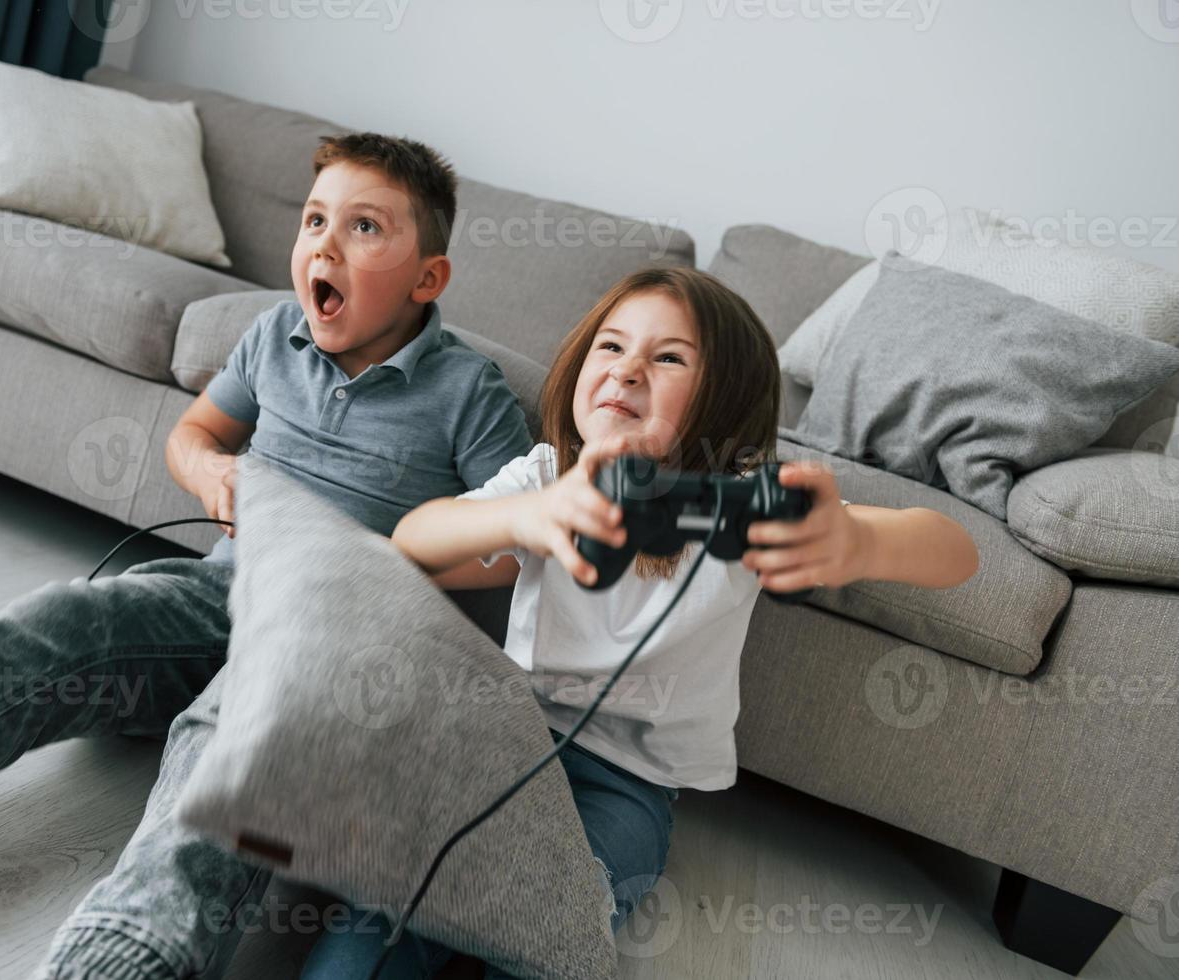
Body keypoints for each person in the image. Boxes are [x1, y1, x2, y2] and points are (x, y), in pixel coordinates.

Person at [0, 132, 534, 980]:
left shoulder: (469, 392)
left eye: (364, 229)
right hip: (221, 594)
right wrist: (213, 470)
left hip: (341, 646)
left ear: (427, 278)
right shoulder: (274, 335)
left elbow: (508, 549)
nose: (324, 243)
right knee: (51, 628)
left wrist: (382, 562)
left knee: (229, 743)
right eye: (315, 219)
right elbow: (195, 434)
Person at [300, 266, 980, 978]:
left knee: (550, 924)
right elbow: (416, 540)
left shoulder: (743, 507)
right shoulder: (547, 476)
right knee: (389, 908)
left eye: (668, 357)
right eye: (611, 346)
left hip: (627, 783)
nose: (627, 370)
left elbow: (954, 552)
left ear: (724, 400)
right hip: (502, 738)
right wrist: (523, 515)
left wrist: (858, 543)